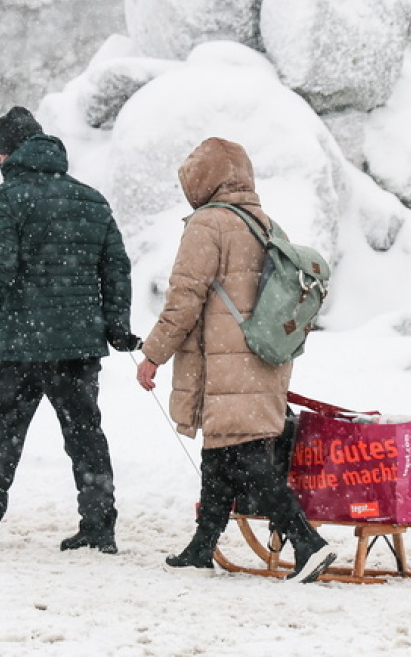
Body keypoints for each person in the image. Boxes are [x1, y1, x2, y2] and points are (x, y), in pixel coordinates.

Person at [136, 137, 337, 583]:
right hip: (261, 359)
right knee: (220, 456)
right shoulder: (264, 223)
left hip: (230, 364)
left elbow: (184, 298)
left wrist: (153, 355)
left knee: (249, 460)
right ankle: (201, 547)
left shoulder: (208, 224)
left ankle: (307, 544)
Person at [0, 106, 140, 552]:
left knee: (6, 433)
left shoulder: (6, 198)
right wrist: (116, 325)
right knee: (86, 435)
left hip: (22, 343)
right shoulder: (91, 199)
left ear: (7, 155)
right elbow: (115, 268)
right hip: (78, 345)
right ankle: (98, 525)